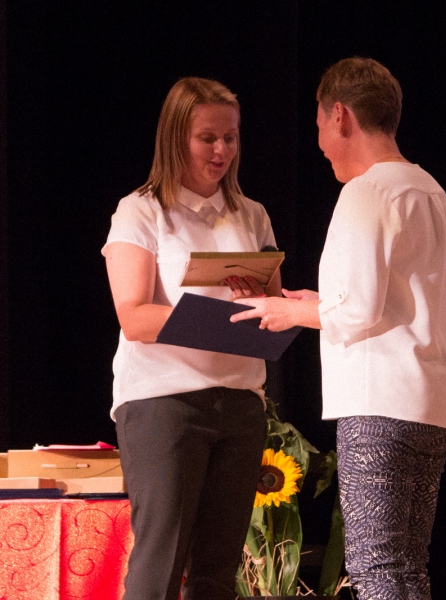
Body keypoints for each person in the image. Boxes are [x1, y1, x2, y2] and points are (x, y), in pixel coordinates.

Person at [231, 57, 446, 600]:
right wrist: (321, 302)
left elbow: (358, 310)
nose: (319, 142)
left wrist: (289, 312)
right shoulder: (426, 187)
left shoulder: (366, 190)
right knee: (406, 568)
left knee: (377, 567)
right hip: (432, 401)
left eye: (318, 127)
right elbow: (395, 295)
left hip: (381, 402)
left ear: (341, 116)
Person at [102, 77, 280, 600]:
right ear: (176, 137)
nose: (222, 150)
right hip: (165, 403)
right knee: (160, 564)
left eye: (231, 137)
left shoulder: (253, 214)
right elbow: (133, 318)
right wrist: (220, 319)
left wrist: (284, 308)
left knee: (217, 573)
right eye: (208, 138)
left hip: (242, 403)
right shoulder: (141, 211)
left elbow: (270, 310)